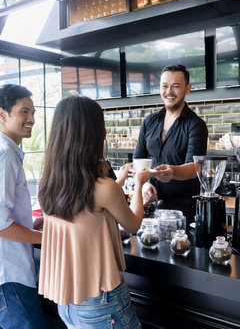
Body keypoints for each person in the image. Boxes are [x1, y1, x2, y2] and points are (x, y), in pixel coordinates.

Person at [38, 95, 152, 329]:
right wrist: (140, 184)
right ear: (93, 133)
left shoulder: (49, 182)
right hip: (102, 303)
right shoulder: (103, 187)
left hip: (68, 303)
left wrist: (117, 183)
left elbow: (84, 207)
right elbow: (133, 225)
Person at [0, 84, 49, 329]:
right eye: (23, 112)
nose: (31, 119)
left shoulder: (9, 151)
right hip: (11, 277)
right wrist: (43, 237)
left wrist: (30, 225)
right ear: (2, 114)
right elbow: (0, 224)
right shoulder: (5, 153)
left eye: (33, 112)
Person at [134, 64, 208, 224]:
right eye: (164, 86)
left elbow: (196, 167)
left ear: (187, 88)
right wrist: (145, 184)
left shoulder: (196, 124)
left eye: (175, 86)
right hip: (150, 208)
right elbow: (138, 158)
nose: (169, 92)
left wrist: (173, 172)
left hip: (183, 211)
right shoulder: (149, 121)